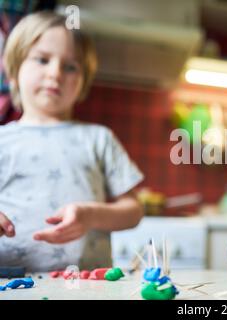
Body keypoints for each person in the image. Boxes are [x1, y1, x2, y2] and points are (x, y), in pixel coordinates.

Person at [0, 11, 144, 271]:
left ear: (83, 82)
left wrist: (90, 216)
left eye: (70, 66)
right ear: (13, 71)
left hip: (90, 288)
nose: (55, 73)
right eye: (42, 60)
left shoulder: (99, 138)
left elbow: (133, 210)